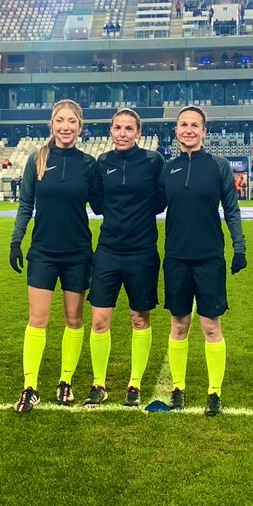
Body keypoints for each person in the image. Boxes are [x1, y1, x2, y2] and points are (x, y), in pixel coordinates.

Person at [9, 100, 103, 413]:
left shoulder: (89, 165)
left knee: (74, 319)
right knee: (37, 319)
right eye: (60, 120)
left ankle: (65, 382)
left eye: (72, 122)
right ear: (52, 124)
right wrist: (16, 240)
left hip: (77, 252)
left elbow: (103, 206)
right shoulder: (36, 159)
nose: (66, 127)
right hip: (43, 253)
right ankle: (30, 387)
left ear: (80, 126)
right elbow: (25, 205)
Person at [161, 106, 247, 417]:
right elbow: (146, 205)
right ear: (176, 131)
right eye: (183, 124)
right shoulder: (167, 169)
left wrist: (239, 247)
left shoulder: (219, 166)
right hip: (176, 258)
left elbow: (232, 210)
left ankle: (214, 393)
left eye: (194, 125)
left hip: (210, 258)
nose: (188, 130)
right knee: (179, 325)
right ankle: (178, 389)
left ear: (204, 131)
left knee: (211, 326)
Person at [85, 108, 166, 408]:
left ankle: (134, 385)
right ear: (111, 131)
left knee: (139, 318)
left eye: (128, 128)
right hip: (107, 250)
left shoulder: (153, 161)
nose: (122, 133)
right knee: (99, 319)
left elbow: (161, 199)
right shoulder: (102, 162)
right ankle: (98, 384)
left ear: (138, 133)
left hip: (142, 252)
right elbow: (97, 203)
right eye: (117, 128)